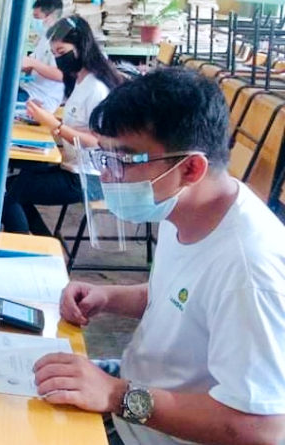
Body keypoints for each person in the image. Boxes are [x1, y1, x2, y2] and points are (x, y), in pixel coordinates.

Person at [33, 68, 285, 445]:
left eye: (124, 161)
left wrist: (117, 396)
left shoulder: (249, 271)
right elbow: (180, 296)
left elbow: (261, 429)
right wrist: (110, 298)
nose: (108, 177)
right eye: (105, 158)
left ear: (190, 168)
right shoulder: (185, 206)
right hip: (136, 401)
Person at [1, 15, 123, 235]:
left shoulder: (96, 87)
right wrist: (47, 119)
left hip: (88, 177)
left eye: (62, 52)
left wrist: (54, 126)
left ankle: (34, 253)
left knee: (10, 196)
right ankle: (43, 246)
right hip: (70, 166)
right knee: (11, 187)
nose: (59, 60)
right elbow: (80, 127)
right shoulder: (79, 81)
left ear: (81, 46)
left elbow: (97, 141)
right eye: (55, 54)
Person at [18, 0, 65, 112]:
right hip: (28, 90)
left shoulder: (61, 41)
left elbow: (61, 75)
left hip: (40, 98)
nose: (34, 21)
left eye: (37, 17)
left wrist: (33, 63)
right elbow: (33, 65)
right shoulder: (45, 36)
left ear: (51, 16)